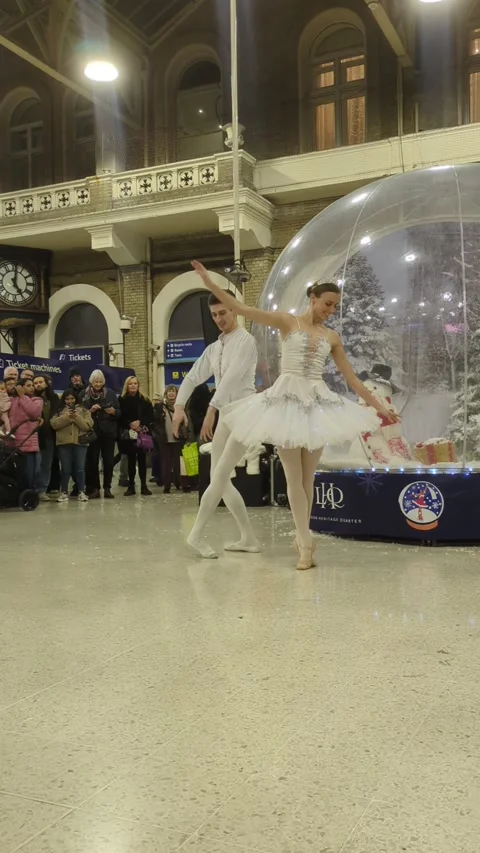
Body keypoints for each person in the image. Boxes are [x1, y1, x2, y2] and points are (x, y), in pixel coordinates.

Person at [186, 261, 399, 570]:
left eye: (335, 306)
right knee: (293, 477)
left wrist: (380, 407)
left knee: (307, 479)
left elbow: (352, 380)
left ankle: (303, 539)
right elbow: (240, 308)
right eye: (328, 304)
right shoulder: (287, 322)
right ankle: (305, 544)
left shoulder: (332, 337)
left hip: (317, 402)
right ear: (312, 298)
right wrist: (208, 281)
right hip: (285, 403)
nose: (331, 310)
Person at [172, 287, 260, 557]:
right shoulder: (215, 347)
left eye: (223, 312)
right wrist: (178, 407)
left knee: (220, 474)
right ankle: (248, 538)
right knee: (219, 478)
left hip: (244, 413)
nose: (219, 318)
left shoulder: (246, 341)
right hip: (227, 415)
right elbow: (193, 377)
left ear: (234, 309)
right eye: (214, 315)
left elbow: (232, 378)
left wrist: (211, 409)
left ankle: (196, 535)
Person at [83, 369, 120, 499]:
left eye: (100, 382)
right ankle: (95, 489)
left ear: (103, 382)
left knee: (108, 461)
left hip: (108, 432)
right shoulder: (84, 394)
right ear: (91, 382)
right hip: (92, 432)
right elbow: (80, 414)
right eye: (95, 382)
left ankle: (108, 488)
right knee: (92, 462)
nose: (97, 384)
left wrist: (113, 412)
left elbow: (119, 412)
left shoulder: (110, 394)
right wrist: (90, 411)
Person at [51, 390, 93, 502]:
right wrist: (66, 417)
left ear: (76, 399)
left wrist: (76, 417)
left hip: (80, 443)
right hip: (63, 444)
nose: (70, 401)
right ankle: (63, 492)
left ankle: (81, 492)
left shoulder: (84, 410)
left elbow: (87, 426)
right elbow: (54, 424)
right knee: (65, 469)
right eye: (67, 399)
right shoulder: (59, 411)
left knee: (80, 468)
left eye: (72, 398)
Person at [118, 376, 154, 496]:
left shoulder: (145, 400)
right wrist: (130, 424)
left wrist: (141, 422)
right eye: (130, 384)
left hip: (142, 433)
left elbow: (150, 416)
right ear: (127, 386)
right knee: (131, 461)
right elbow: (119, 417)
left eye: (135, 383)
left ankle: (144, 486)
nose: (133, 385)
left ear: (138, 385)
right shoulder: (122, 400)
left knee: (142, 461)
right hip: (129, 434)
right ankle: (131, 486)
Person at [9, 377, 43, 491]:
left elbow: (34, 412)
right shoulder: (12, 401)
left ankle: (30, 495)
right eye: (28, 385)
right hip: (14, 444)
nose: (32, 387)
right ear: (20, 387)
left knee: (30, 475)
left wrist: (22, 396)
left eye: (32, 385)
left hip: (29, 444)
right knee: (18, 475)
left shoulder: (37, 400)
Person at [154, 385, 186, 494]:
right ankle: (166, 485)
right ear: (166, 394)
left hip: (178, 439)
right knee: (166, 463)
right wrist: (158, 434)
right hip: (165, 439)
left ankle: (179, 483)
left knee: (178, 463)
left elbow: (187, 422)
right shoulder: (159, 407)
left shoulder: (181, 407)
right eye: (169, 392)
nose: (171, 394)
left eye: (173, 392)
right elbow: (155, 423)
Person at [33, 374, 61, 501]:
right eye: (36, 383)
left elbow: (56, 414)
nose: (38, 384)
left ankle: (42, 490)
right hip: (33, 436)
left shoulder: (53, 398)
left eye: (40, 382)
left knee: (46, 465)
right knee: (35, 465)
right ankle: (32, 489)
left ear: (46, 384)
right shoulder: (31, 398)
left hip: (49, 436)